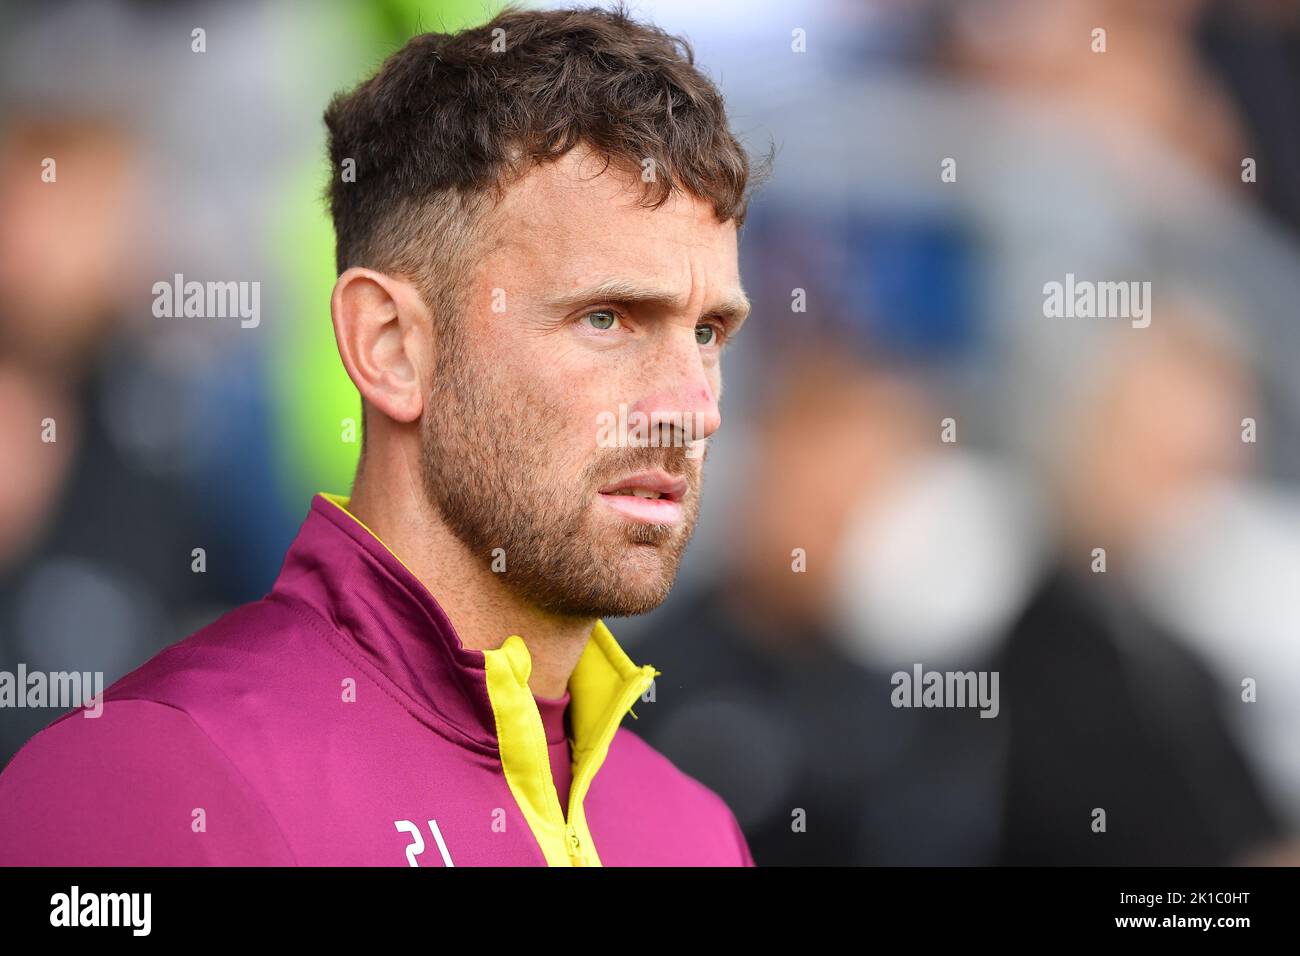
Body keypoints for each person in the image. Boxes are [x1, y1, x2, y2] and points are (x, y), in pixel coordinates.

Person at [0, 3, 766, 866]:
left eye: (708, 333)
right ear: (391, 346)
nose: (690, 407)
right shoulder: (148, 782)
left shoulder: (696, 831)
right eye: (606, 318)